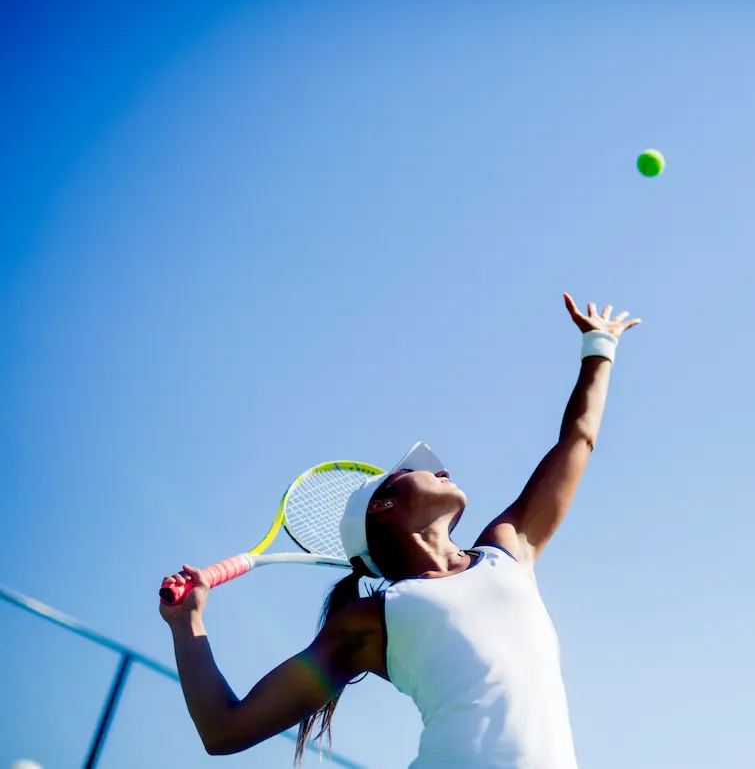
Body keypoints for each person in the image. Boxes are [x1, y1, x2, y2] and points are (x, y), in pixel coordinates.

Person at [159, 293, 641, 768]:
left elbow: (578, 439)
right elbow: (223, 730)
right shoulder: (369, 621)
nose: (440, 468)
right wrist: (188, 623)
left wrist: (599, 346)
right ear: (383, 506)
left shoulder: (508, 548)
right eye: (414, 469)